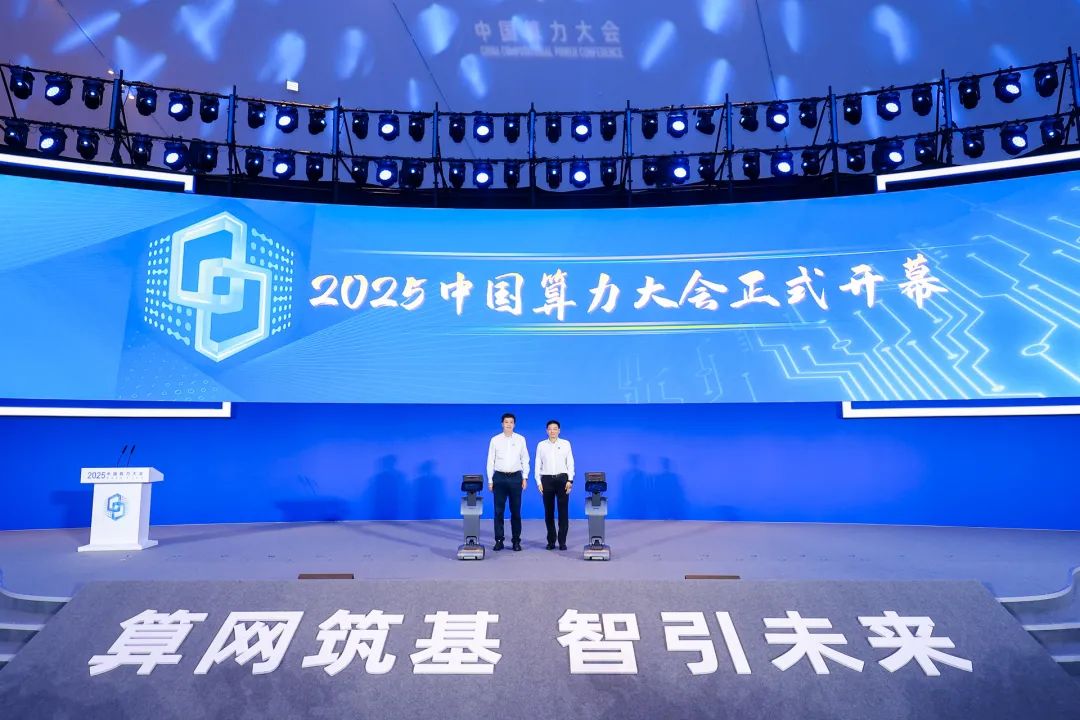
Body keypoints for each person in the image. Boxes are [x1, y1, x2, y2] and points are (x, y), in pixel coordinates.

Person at [486, 412, 529, 552]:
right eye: (506, 422)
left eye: (511, 422)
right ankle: (499, 540)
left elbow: (525, 459)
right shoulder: (495, 440)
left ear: (514, 424)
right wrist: (490, 480)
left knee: (515, 511)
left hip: (516, 478)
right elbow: (490, 461)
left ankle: (516, 541)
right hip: (499, 478)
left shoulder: (521, 439)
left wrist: (525, 477)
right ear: (502, 424)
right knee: (498, 511)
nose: (508, 424)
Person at [535, 419, 574, 550]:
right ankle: (551, 541)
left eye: (555, 429)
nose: (552, 431)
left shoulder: (566, 444)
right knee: (549, 512)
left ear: (559, 430)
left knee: (563, 512)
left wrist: (570, 480)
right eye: (550, 429)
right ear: (547, 431)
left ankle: (562, 542)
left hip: (562, 479)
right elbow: (537, 464)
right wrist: (538, 481)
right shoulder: (541, 445)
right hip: (547, 480)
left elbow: (570, 463)